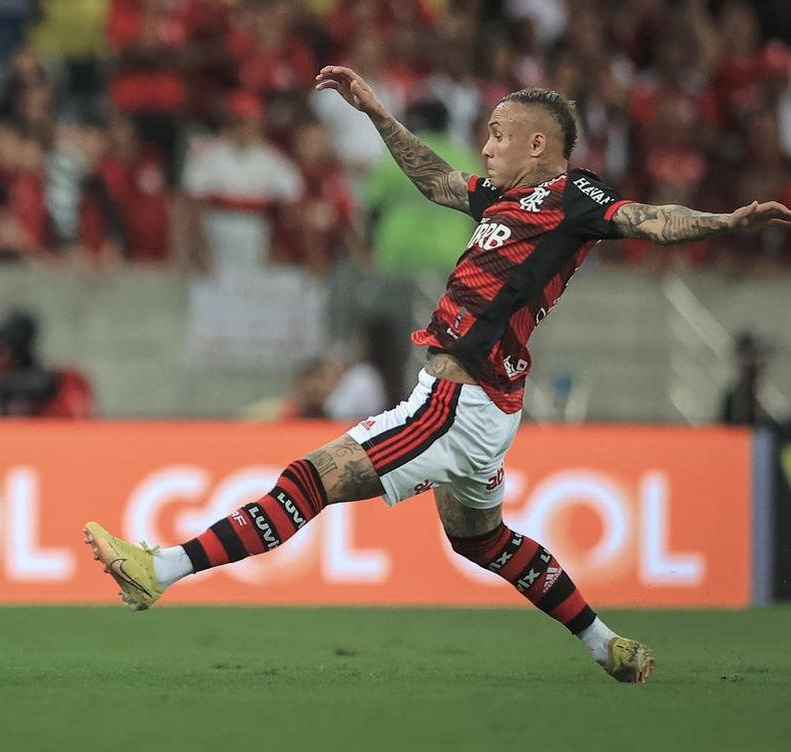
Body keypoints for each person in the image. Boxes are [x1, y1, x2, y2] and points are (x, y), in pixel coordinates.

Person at [83, 66, 791, 684]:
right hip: (482, 401)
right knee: (482, 540)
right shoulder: (500, 198)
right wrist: (376, 112)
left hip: (459, 399)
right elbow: (437, 179)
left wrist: (725, 221)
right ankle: (607, 646)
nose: (485, 147)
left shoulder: (575, 197)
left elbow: (652, 219)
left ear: (537, 144)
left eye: (497, 134)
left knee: (311, 478)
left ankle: (161, 571)